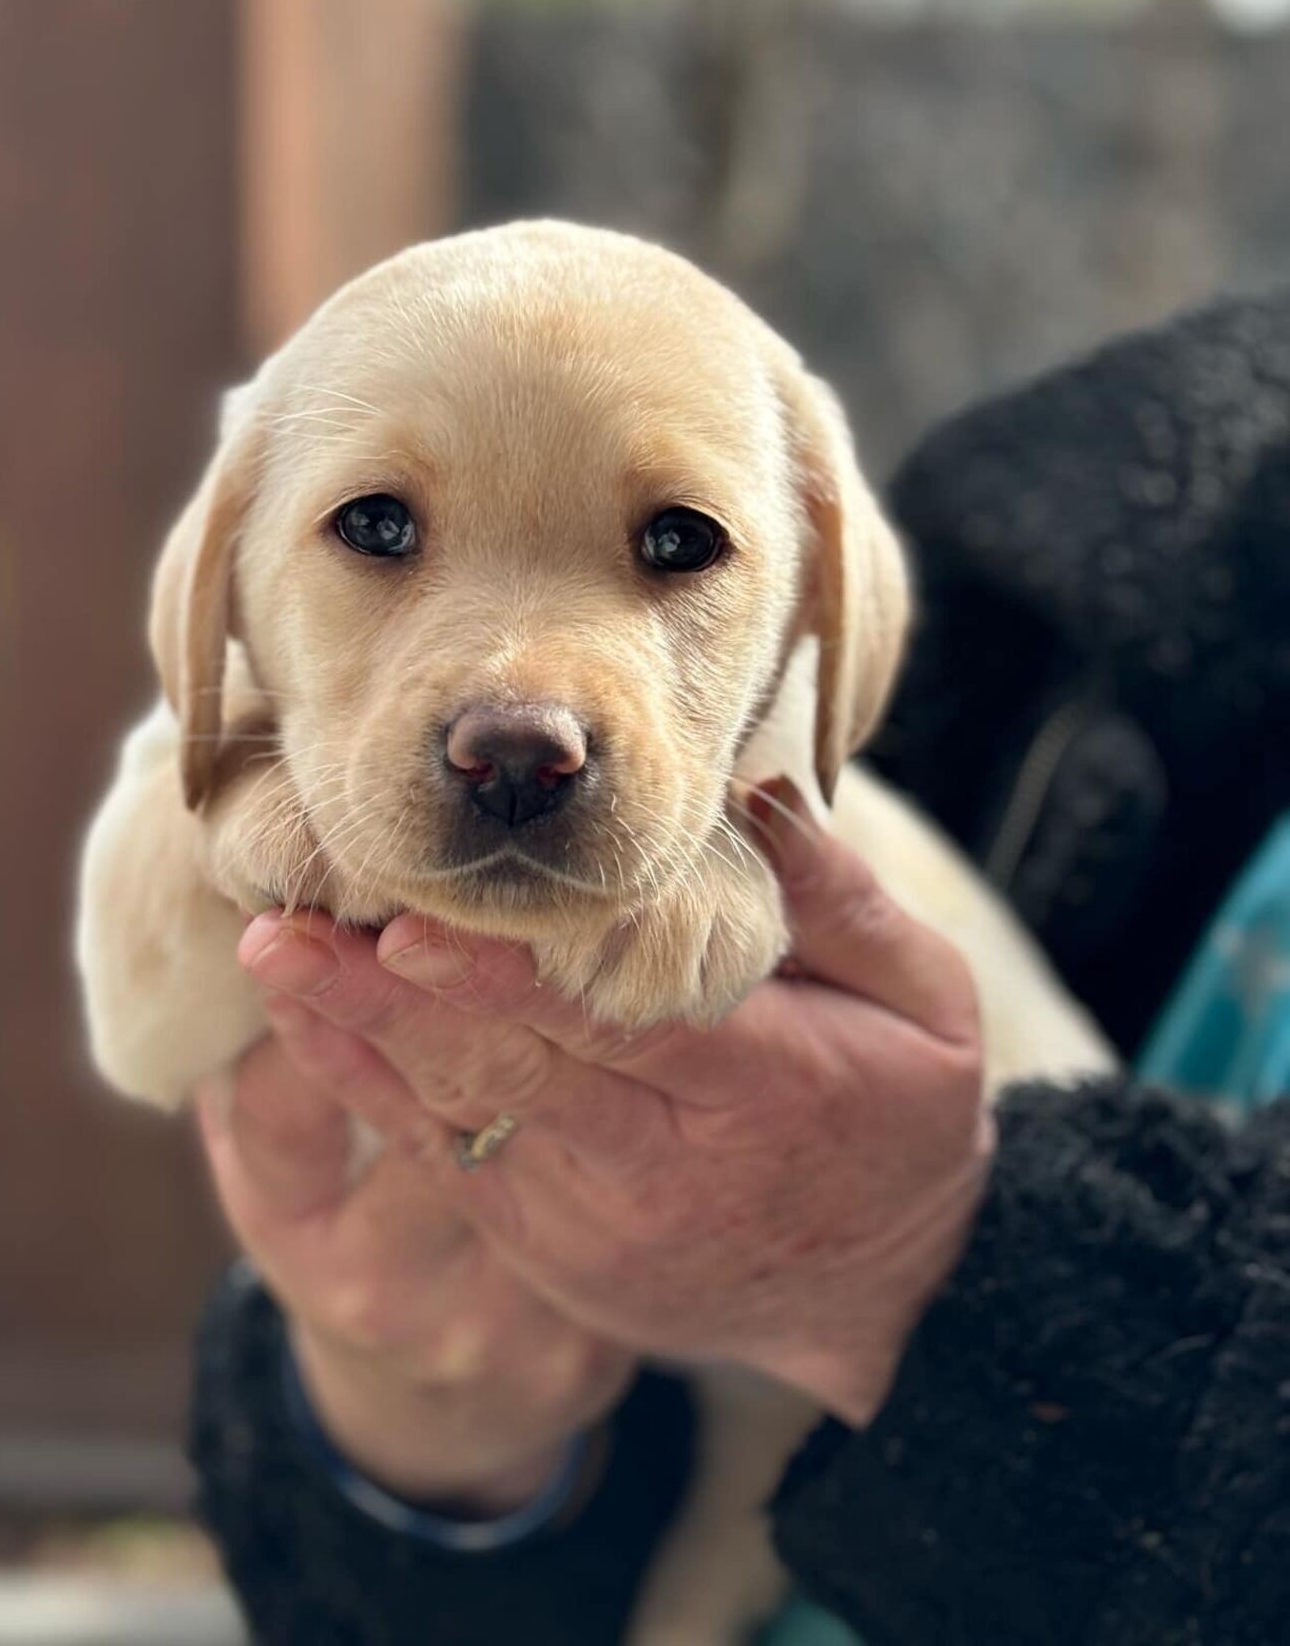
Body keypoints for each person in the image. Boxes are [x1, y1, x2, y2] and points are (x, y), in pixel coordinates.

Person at [187, 292, 1290, 1645]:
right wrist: (429, 1445)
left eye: (674, 542)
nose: (516, 712)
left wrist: (943, 1269)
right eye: (378, 528)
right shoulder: (1091, 499)